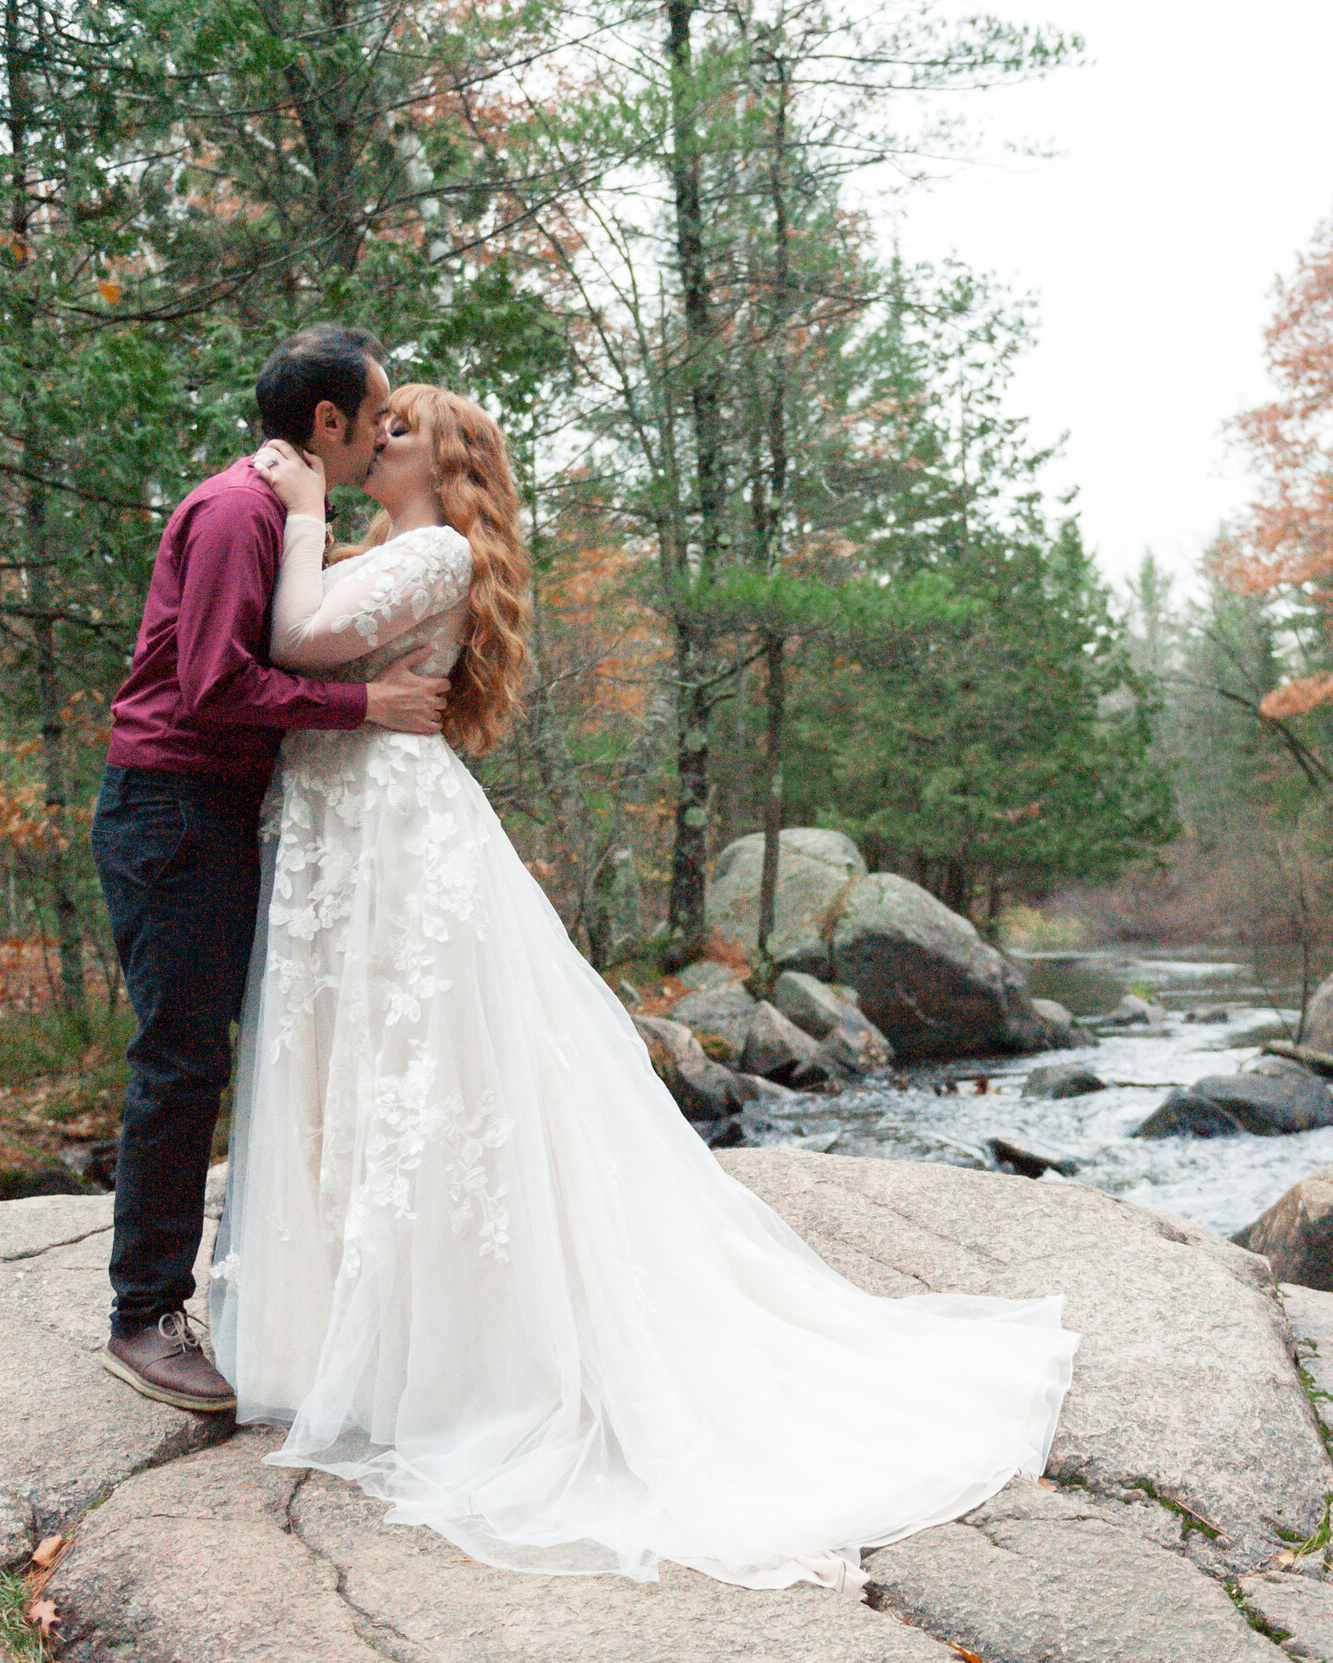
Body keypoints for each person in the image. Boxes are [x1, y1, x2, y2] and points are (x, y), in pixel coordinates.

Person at [211, 383, 1078, 1593]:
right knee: (360, 1074)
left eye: (402, 425)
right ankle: (365, 1340)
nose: (377, 435)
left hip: (396, 844)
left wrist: (296, 509)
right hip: (339, 839)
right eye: (378, 419)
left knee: (436, 1085)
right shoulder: (383, 547)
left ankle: (466, 1360)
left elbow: (297, 640)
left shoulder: (436, 551)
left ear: (450, 459)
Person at [93, 324, 452, 1415]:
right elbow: (211, 687)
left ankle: (202, 1299)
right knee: (181, 1059)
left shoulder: (288, 517)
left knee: (212, 1053)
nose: (388, 430)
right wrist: (365, 705)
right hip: (169, 811)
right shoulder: (238, 512)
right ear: (327, 421)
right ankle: (142, 1317)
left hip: (214, 811)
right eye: (378, 414)